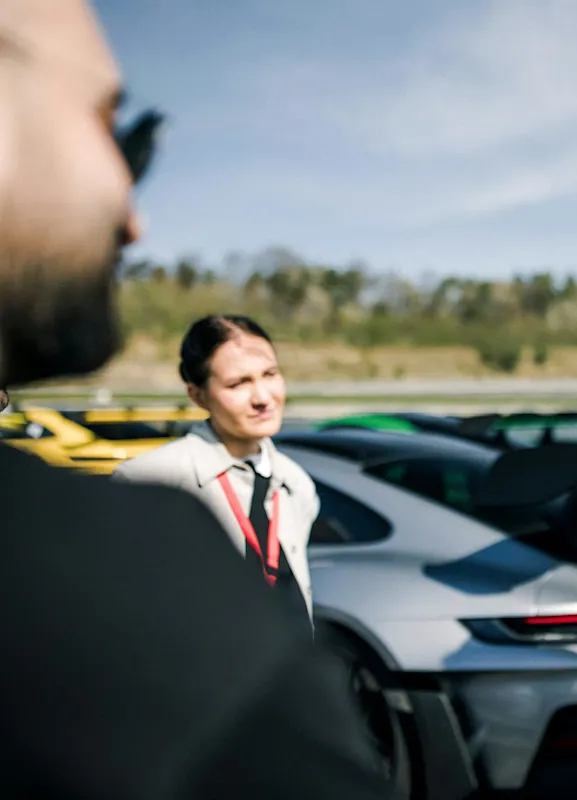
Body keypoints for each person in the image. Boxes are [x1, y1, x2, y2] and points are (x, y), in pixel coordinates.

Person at [0, 2, 389, 797]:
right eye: (112, 125)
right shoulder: (133, 525)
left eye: (269, 375)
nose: (134, 218)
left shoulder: (298, 490)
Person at [112, 315, 317, 633]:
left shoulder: (295, 485)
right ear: (197, 395)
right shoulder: (149, 480)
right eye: (238, 384)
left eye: (270, 374)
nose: (263, 398)